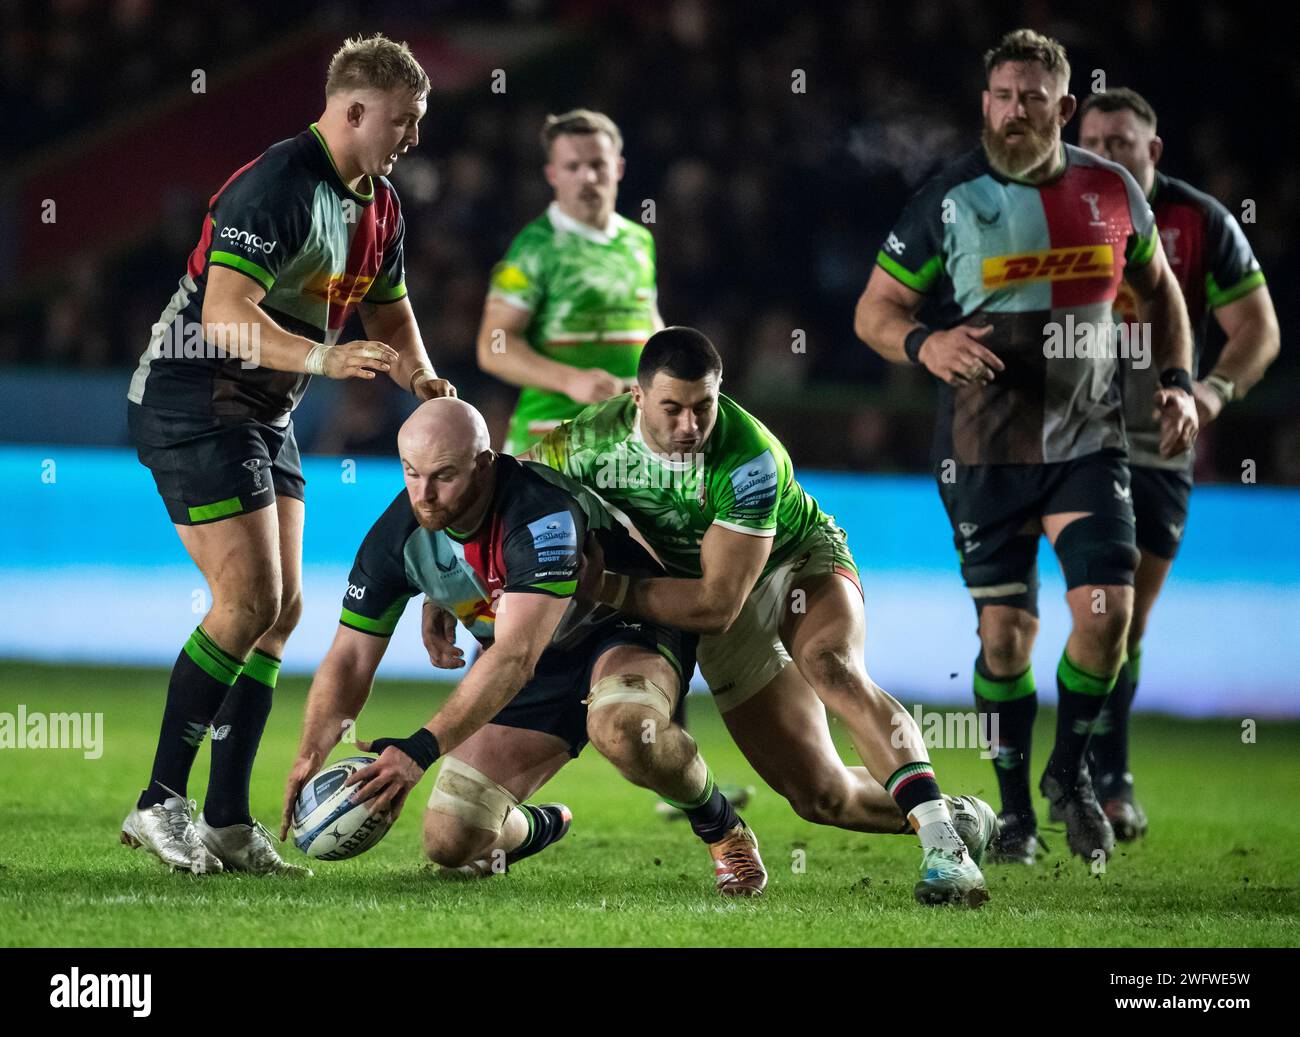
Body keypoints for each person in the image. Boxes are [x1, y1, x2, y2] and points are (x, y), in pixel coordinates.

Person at [476, 326, 1000, 908]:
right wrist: (443, 589)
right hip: (715, 599)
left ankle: (943, 847)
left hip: (793, 564)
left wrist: (605, 585)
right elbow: (501, 494)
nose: (689, 427)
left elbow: (717, 606)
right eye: (671, 408)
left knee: (833, 666)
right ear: (637, 399)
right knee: (819, 796)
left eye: (703, 407)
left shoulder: (749, 456)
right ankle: (955, 815)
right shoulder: (586, 442)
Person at [854, 29, 1198, 864]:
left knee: (1107, 619)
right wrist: (925, 346)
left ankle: (1070, 777)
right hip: (984, 449)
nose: (1015, 111)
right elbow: (874, 312)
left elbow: (1162, 294)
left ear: (1063, 105)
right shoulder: (947, 200)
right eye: (1002, 96)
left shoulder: (1112, 190)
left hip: (1089, 442)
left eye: (1032, 97)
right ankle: (1014, 816)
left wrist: (1179, 378)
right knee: (1006, 637)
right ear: (985, 103)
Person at [120, 34, 455, 875]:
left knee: (282, 611)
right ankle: (160, 801)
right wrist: (325, 359)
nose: (411, 138)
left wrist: (421, 376)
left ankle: (229, 820)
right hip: (192, 398)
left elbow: (390, 312)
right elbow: (227, 315)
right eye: (403, 121)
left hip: (264, 411)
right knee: (248, 599)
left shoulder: (379, 204)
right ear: (352, 111)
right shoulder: (274, 186)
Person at [281, 398, 767, 896]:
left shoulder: (540, 515)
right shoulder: (396, 538)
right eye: (411, 472)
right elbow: (350, 657)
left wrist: (419, 750)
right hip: (541, 663)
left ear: (485, 464)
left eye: (444, 476)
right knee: (449, 843)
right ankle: (537, 826)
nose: (423, 495)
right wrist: (311, 751)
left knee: (622, 725)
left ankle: (721, 828)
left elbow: (514, 657)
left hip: (623, 629)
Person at [1077, 88, 1279, 838]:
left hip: (1154, 444)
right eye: (1091, 139)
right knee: (1032, 615)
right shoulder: (1049, 203)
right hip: (1061, 443)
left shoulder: (1199, 222)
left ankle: (1110, 775)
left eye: (1121, 142)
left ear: (1151, 152)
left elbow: (1259, 327)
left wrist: (1212, 391)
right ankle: (1061, 782)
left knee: (1124, 621)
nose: (1104, 153)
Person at [476, 109, 662, 456]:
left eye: (598, 165)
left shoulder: (639, 241)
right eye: (573, 167)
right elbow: (493, 347)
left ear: (618, 168)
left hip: (627, 441)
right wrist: (570, 380)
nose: (587, 177)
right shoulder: (531, 248)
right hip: (552, 439)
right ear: (552, 175)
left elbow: (648, 323)